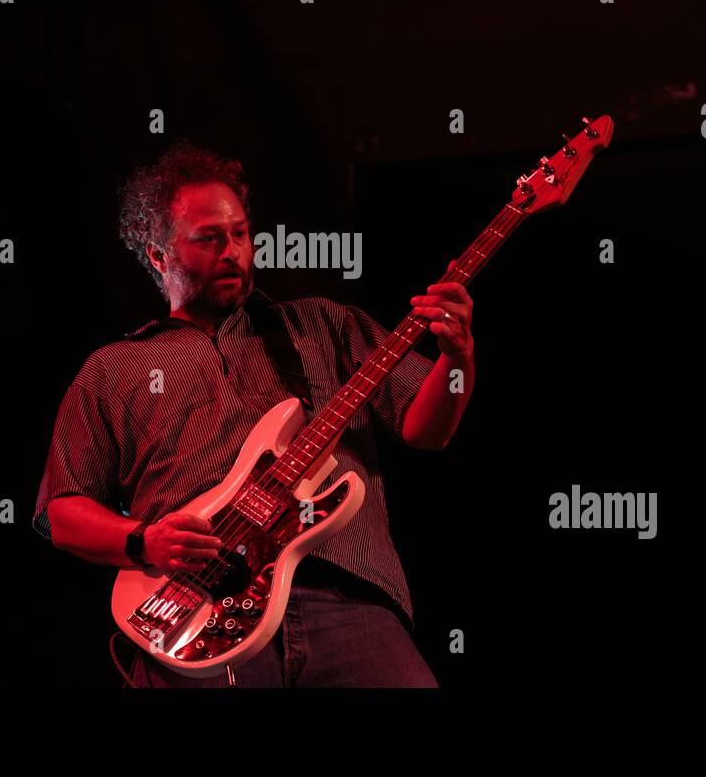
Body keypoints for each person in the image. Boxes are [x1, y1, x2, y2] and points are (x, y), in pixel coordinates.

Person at [32, 140, 475, 686]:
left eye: (240, 233)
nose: (232, 252)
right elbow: (62, 511)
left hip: (348, 599)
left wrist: (457, 355)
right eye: (209, 239)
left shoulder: (322, 325)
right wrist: (142, 540)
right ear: (158, 256)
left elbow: (426, 431)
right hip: (197, 614)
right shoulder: (113, 368)